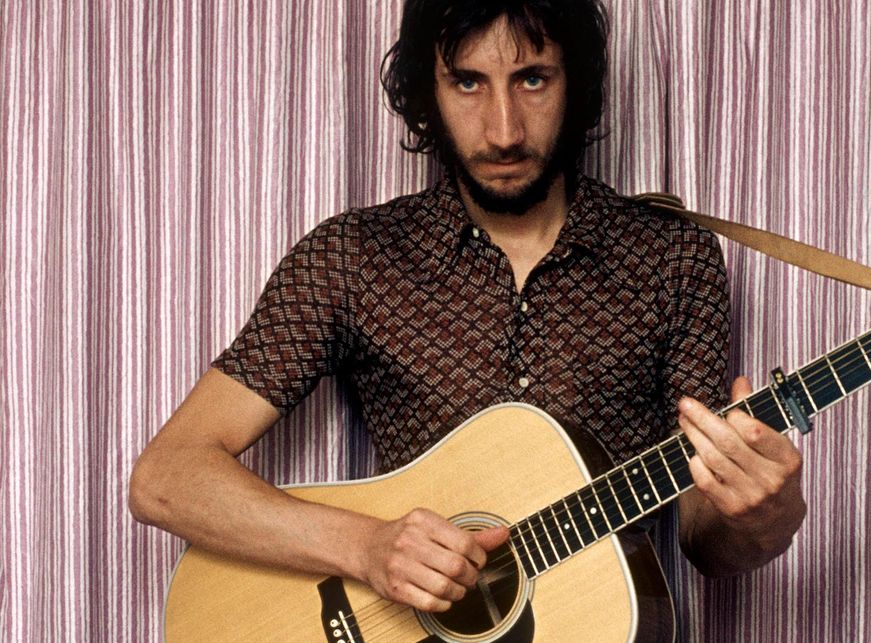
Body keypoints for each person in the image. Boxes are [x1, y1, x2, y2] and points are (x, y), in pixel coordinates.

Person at [129, 0, 806, 616]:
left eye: (533, 79)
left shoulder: (673, 259)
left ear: (576, 86)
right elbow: (167, 478)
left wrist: (762, 515)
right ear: (431, 91)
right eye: (469, 83)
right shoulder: (353, 257)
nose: (504, 130)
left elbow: (705, 541)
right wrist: (366, 546)